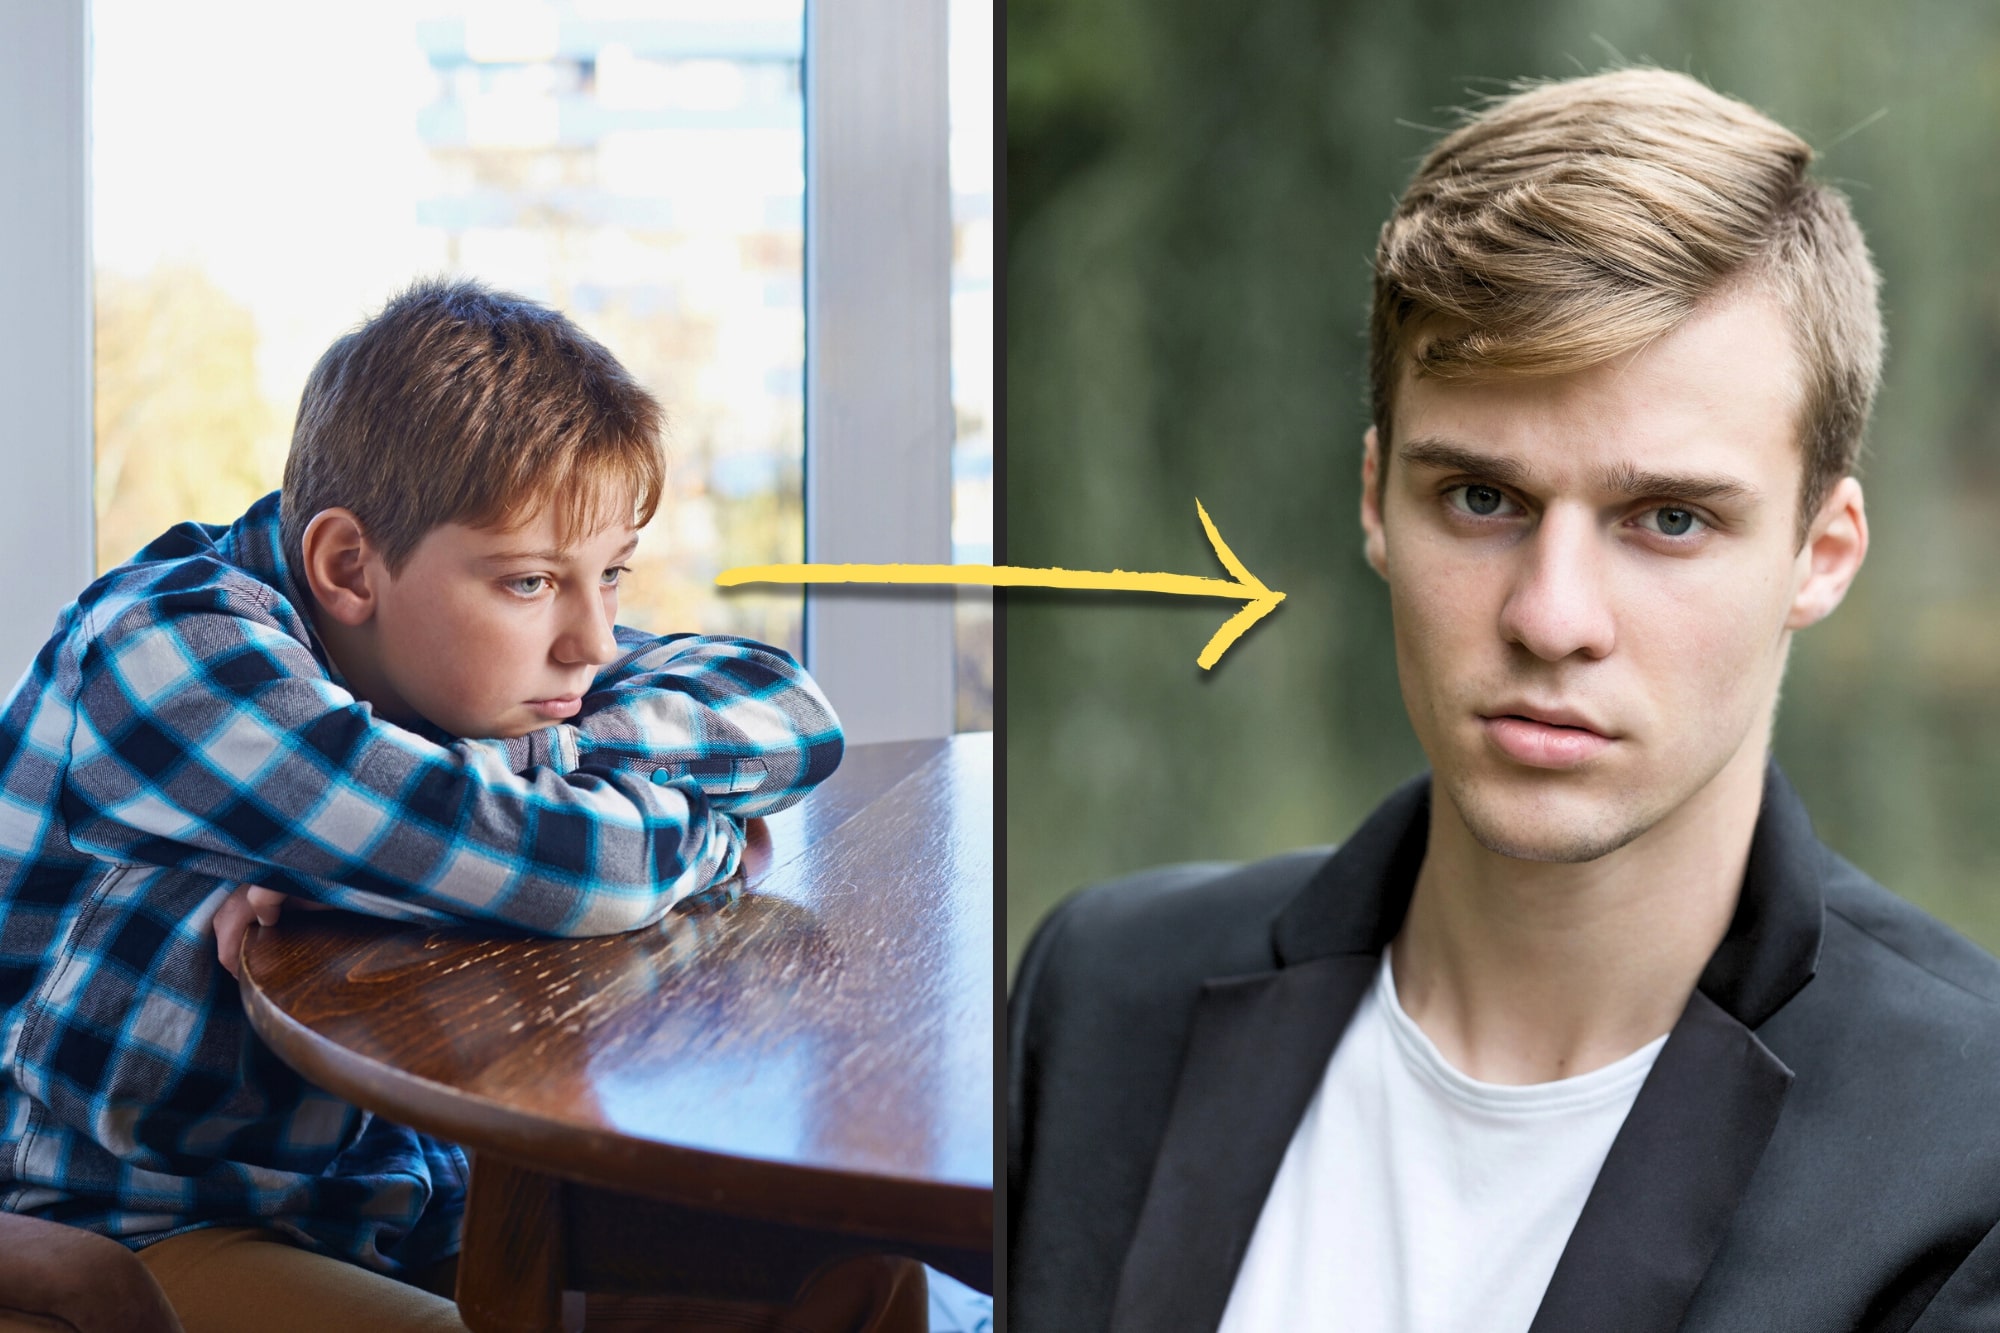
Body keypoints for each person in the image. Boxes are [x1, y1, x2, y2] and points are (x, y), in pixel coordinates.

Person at [1008, 68, 2000, 1332]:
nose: (1550, 616)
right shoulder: (1101, 991)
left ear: (1820, 552)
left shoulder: (1967, 1148)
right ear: (1376, 500)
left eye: (1669, 519)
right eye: (1480, 498)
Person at [0, 279, 895, 1330]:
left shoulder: (484, 665)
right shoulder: (166, 653)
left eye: (609, 574)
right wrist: (702, 832)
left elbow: (787, 711)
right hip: (143, 1221)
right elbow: (578, 868)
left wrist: (545, 757)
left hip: (398, 1197)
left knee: (841, 1274)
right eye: (528, 582)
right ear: (348, 564)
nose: (593, 640)